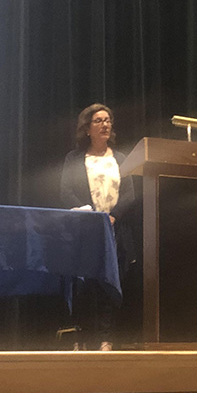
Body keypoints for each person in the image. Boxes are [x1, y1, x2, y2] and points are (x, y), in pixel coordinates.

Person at [60, 103, 135, 351]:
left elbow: (129, 193)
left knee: (110, 284)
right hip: (86, 229)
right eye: (98, 120)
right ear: (87, 128)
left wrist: (113, 216)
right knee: (84, 285)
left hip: (114, 230)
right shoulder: (75, 158)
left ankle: (106, 338)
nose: (105, 124)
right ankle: (81, 337)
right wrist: (89, 215)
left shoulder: (121, 158)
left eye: (108, 120)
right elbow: (66, 191)